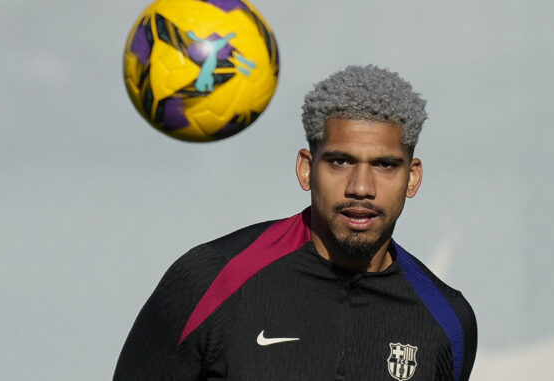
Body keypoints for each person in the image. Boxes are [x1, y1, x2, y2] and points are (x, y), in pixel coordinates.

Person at [113, 65, 477, 381]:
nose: (361, 188)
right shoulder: (209, 280)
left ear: (412, 178)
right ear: (306, 168)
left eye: (384, 165)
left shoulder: (447, 321)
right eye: (340, 161)